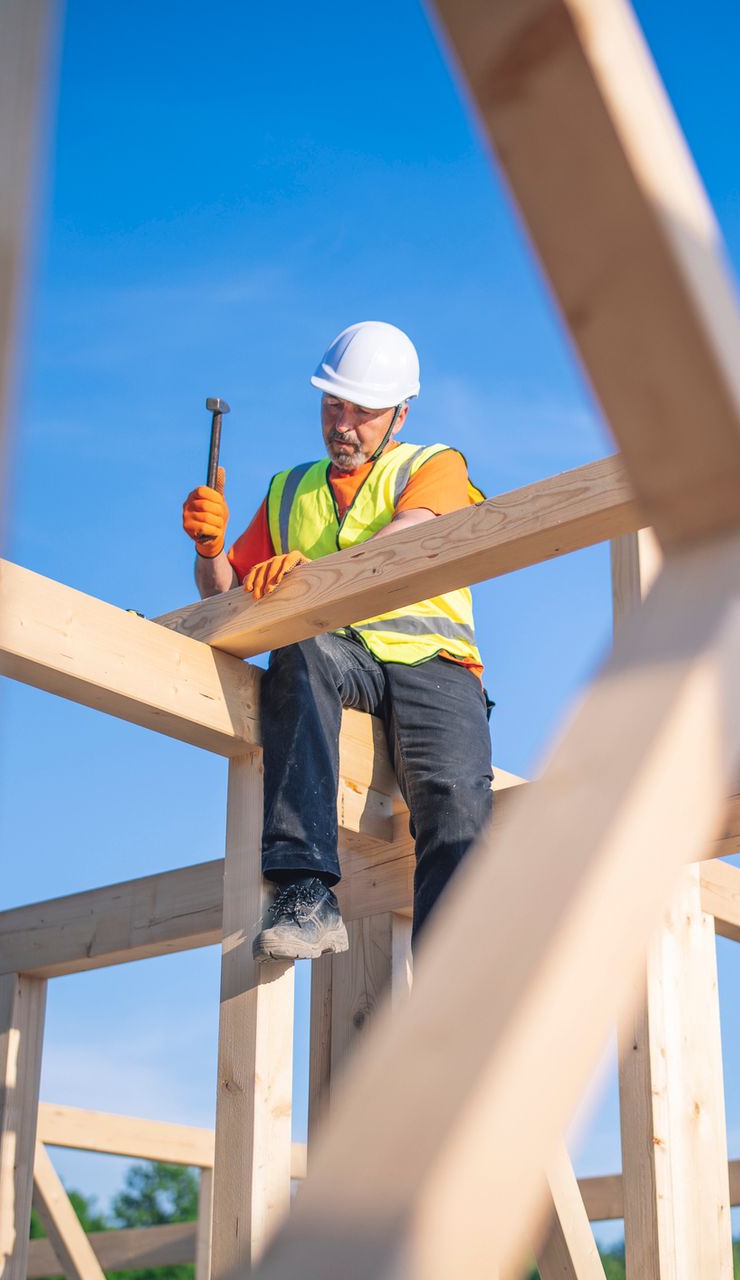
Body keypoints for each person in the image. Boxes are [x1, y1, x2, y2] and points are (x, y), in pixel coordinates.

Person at [180, 321, 494, 960]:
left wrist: (310, 581)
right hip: (342, 658)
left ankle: (448, 979)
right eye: (333, 405)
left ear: (400, 414)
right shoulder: (289, 489)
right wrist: (211, 550)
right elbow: (222, 598)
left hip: (433, 663)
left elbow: (406, 541)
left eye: (363, 412)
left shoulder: (434, 465)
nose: (343, 424)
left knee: (455, 802)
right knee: (296, 652)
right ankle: (305, 894)